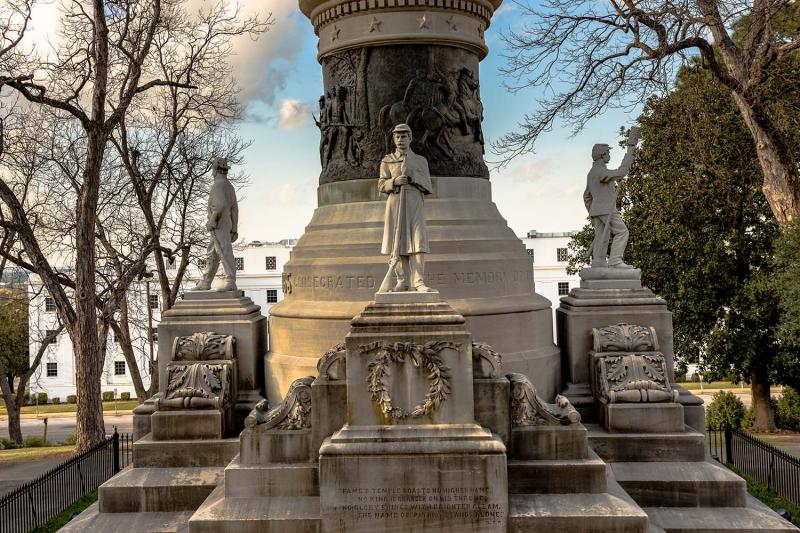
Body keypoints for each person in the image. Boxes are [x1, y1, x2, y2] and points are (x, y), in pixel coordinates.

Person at [378, 124, 434, 292]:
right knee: (398, 242)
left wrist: (413, 176)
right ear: (393, 139)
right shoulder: (387, 160)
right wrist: (394, 181)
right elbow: (381, 185)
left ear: (410, 138)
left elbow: (428, 186)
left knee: (418, 241)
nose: (400, 140)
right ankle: (402, 281)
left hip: (414, 201)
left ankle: (418, 282)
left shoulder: (420, 161)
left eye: (404, 136)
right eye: (397, 137)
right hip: (395, 202)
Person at [584, 127, 641, 268]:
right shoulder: (600, 171)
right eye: (608, 152)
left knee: (602, 236)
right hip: (605, 209)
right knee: (622, 232)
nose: (609, 155)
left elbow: (586, 196)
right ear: (603, 155)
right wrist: (630, 151)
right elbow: (621, 172)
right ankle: (616, 261)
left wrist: (592, 211)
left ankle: (598, 262)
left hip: (597, 210)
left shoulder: (591, 172)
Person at [193, 157, 239, 291]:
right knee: (213, 251)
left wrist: (212, 220)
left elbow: (220, 205)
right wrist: (234, 228)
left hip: (219, 223)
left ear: (215, 170)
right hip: (227, 222)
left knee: (224, 249)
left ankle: (230, 280)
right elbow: (235, 209)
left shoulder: (218, 185)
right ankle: (206, 281)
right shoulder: (229, 186)